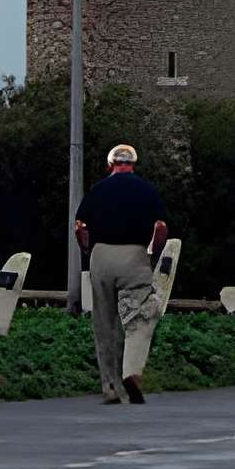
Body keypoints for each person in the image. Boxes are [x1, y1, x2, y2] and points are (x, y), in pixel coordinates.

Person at [73, 142, 169, 404]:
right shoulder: (147, 191)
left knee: (104, 323)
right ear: (133, 165)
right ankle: (131, 373)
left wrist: (88, 251)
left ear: (110, 165)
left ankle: (110, 388)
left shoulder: (97, 190)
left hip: (101, 256)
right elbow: (160, 228)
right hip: (134, 255)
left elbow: (80, 228)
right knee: (141, 317)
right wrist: (153, 255)